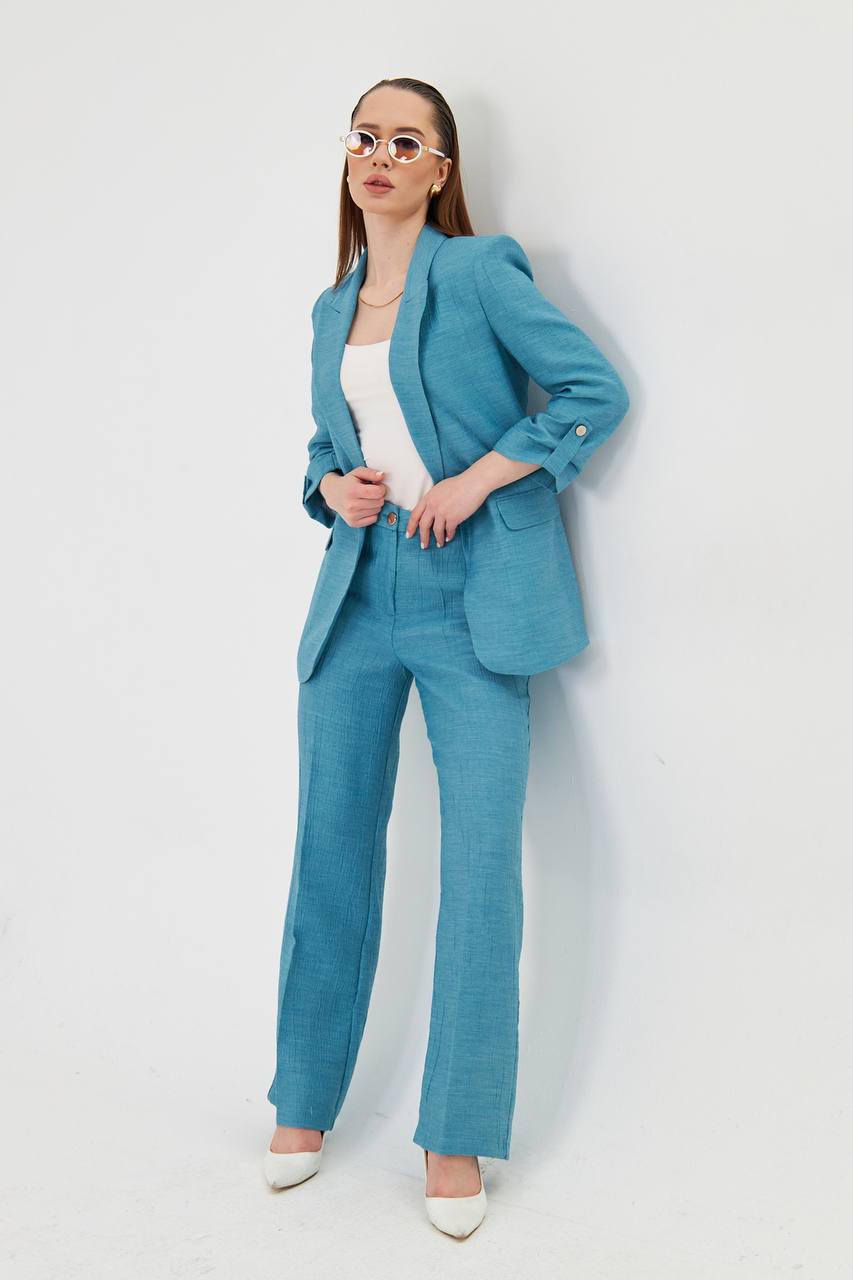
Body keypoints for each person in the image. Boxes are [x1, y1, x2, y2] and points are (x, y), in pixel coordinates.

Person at [263, 76, 630, 1239]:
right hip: (360, 595)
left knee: (480, 864)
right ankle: (304, 1098)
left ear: (439, 168)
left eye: (403, 139)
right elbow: (326, 449)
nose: (377, 153)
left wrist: (482, 474)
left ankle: (455, 1130)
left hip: (476, 597)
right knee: (329, 842)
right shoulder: (331, 308)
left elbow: (592, 389)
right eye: (363, 136)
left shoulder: (476, 273)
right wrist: (333, 484)